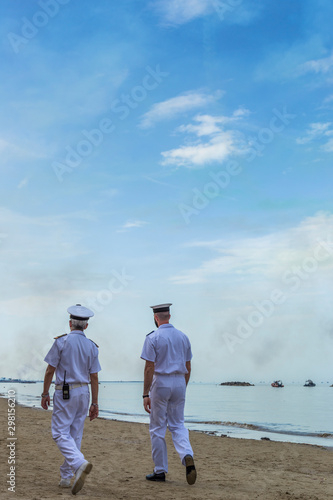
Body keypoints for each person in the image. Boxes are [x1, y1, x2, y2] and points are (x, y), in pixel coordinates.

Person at [41, 304, 101, 495]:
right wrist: (95, 403)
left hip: (65, 392)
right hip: (84, 393)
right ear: (86, 326)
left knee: (59, 433)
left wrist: (44, 393)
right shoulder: (92, 346)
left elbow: (50, 370)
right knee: (75, 434)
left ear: (70, 323)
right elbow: (94, 377)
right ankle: (66, 477)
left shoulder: (61, 342)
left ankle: (79, 464)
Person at [140, 303, 196, 485]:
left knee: (157, 428)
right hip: (180, 380)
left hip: (161, 381)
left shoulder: (153, 337)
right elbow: (188, 367)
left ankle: (160, 470)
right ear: (169, 316)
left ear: (156, 318)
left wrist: (145, 393)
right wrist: (182, 386)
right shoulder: (183, 337)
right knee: (178, 424)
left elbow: (149, 367)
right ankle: (186, 454)